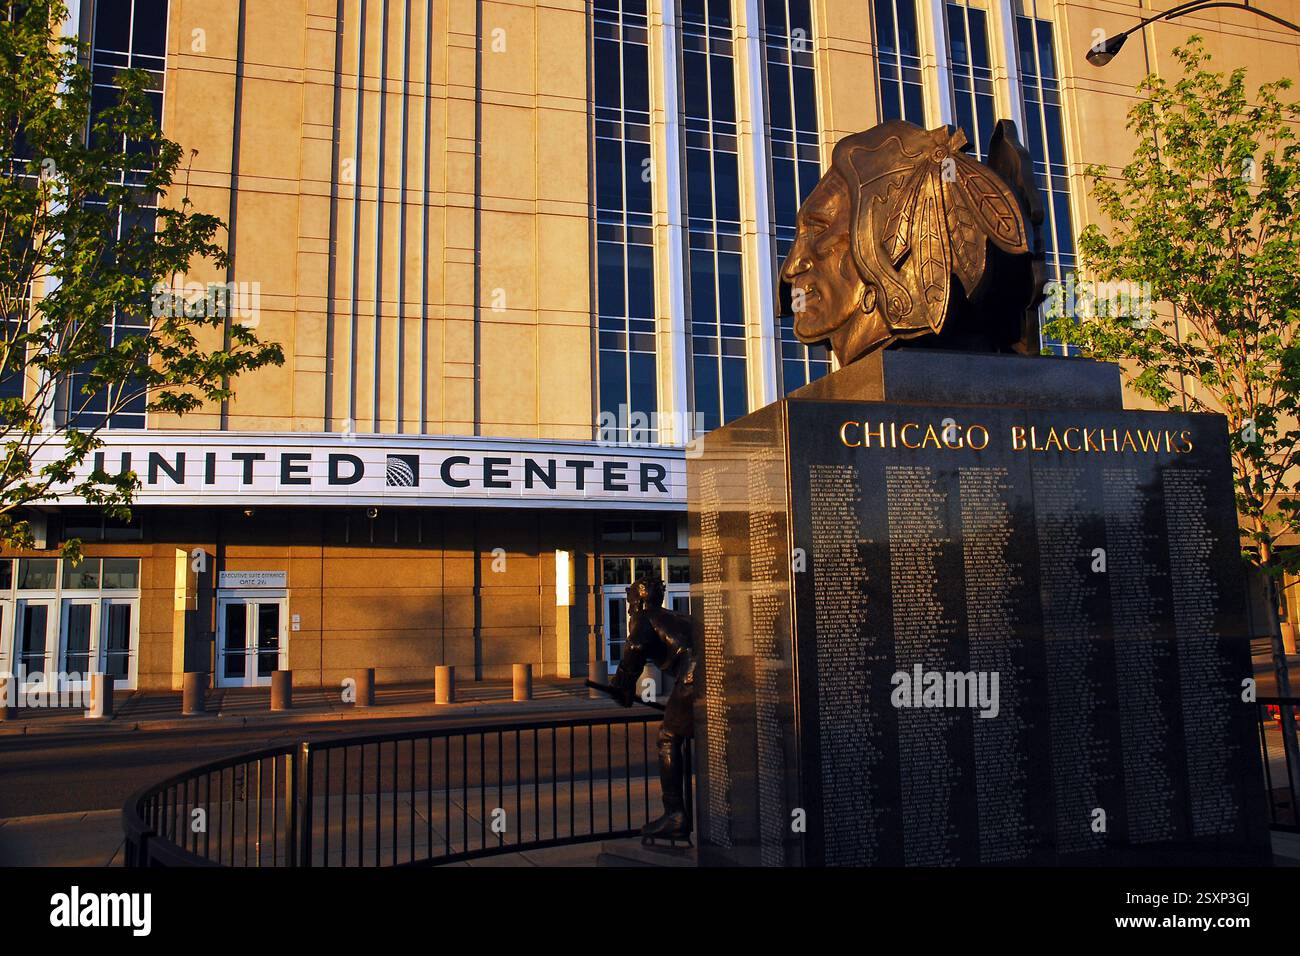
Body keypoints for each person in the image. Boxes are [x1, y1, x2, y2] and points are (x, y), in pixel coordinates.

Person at [606, 576, 695, 843]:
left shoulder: (645, 617)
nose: (630, 605)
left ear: (641, 599)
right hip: (712, 672)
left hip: (694, 676)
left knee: (667, 737)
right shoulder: (678, 616)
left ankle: (675, 815)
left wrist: (621, 684)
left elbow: (635, 647)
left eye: (632, 599)